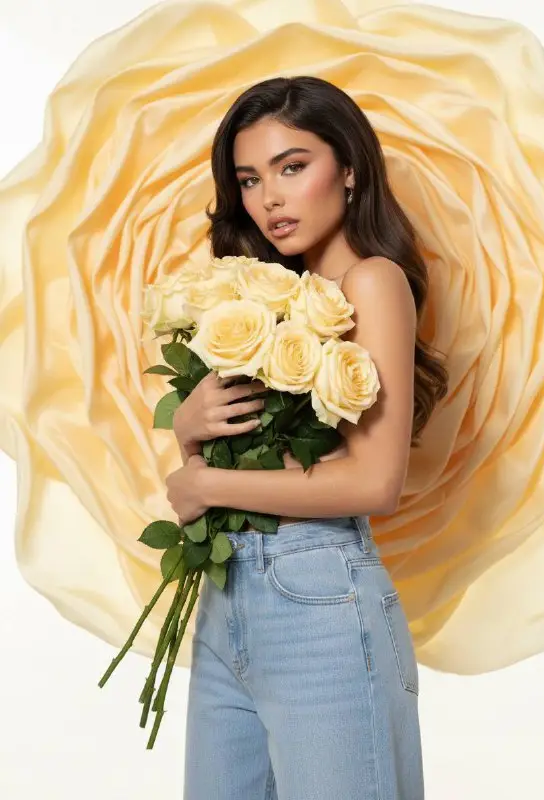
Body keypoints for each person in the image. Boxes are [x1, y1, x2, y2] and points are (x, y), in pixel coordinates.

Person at [167, 76, 448, 800]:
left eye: (294, 167)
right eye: (251, 178)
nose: (270, 198)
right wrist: (190, 431)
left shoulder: (373, 281)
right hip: (230, 594)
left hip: (320, 596)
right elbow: (269, 454)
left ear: (349, 168)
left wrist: (204, 483)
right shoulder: (271, 297)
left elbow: (372, 483)